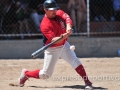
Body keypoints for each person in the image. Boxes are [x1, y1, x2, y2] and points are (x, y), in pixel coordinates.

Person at [18, 0, 93, 89]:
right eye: (51, 10)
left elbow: (67, 18)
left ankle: (87, 82)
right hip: (52, 49)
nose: (54, 11)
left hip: (64, 45)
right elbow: (54, 40)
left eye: (55, 9)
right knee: (46, 75)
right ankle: (26, 74)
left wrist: (68, 27)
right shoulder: (45, 25)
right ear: (45, 10)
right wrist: (63, 36)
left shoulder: (58, 13)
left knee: (75, 61)